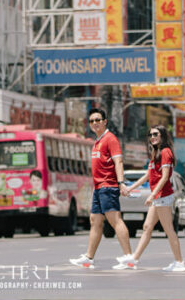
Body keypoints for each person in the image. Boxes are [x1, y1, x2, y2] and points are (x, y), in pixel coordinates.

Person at [69, 109, 135, 269]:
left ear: (105, 121)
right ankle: (89, 258)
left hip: (108, 186)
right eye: (91, 121)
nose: (95, 123)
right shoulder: (97, 141)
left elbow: (118, 161)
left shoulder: (110, 139)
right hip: (99, 188)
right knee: (95, 221)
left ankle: (129, 258)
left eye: (98, 119)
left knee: (115, 220)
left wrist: (121, 183)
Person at [123, 125, 185, 272]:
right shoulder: (156, 152)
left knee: (169, 230)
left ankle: (180, 262)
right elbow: (147, 176)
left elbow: (165, 177)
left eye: (155, 134)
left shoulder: (166, 152)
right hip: (158, 197)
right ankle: (134, 259)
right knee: (147, 227)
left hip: (163, 196)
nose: (152, 137)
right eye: (150, 134)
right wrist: (130, 188)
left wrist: (152, 195)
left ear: (163, 135)